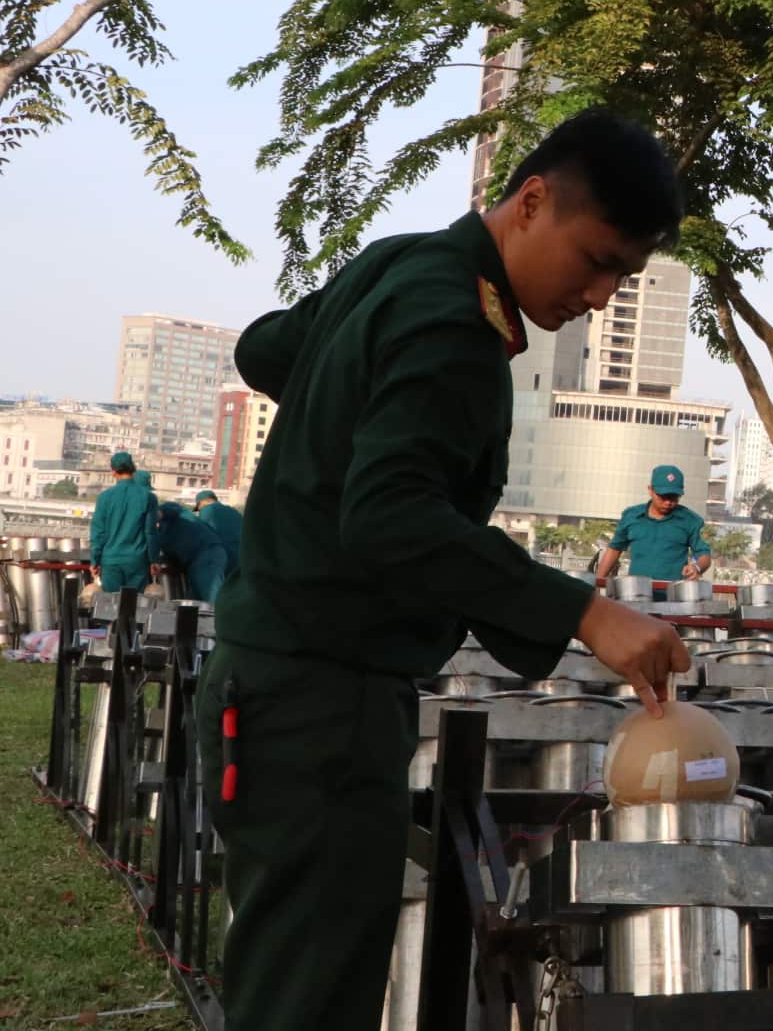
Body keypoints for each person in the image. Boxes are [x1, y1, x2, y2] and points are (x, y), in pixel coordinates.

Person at [193, 108, 693, 1029]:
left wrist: (342, 402)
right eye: (595, 261)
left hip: (267, 681)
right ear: (531, 202)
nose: (599, 297)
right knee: (309, 997)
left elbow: (266, 348)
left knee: (286, 974)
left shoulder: (400, 263)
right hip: (322, 699)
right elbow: (391, 515)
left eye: (622, 277)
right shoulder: (453, 322)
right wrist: (589, 614)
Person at [594, 465, 712, 592]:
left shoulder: (690, 521)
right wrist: (596, 585)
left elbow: (704, 556)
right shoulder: (631, 516)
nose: (668, 502)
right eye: (663, 496)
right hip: (635, 593)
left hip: (672, 597)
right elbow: (614, 550)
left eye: (673, 497)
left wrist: (697, 568)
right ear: (650, 490)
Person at [88, 451, 159, 594]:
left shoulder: (104, 497)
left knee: (111, 604)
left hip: (111, 561)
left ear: (113, 471)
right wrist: (153, 560)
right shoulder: (148, 497)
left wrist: (95, 561)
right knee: (135, 603)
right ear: (133, 469)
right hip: (137, 561)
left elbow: (98, 532)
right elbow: (150, 532)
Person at [156, 501, 229, 602]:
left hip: (207, 554)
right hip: (194, 564)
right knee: (193, 602)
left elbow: (174, 509)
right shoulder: (160, 536)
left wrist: (157, 513)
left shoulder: (171, 512)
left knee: (212, 596)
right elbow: (170, 556)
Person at [193, 490, 244, 573]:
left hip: (221, 560)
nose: (199, 509)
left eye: (198, 507)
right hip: (240, 560)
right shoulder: (234, 511)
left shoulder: (207, 510)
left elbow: (200, 536)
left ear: (202, 502)